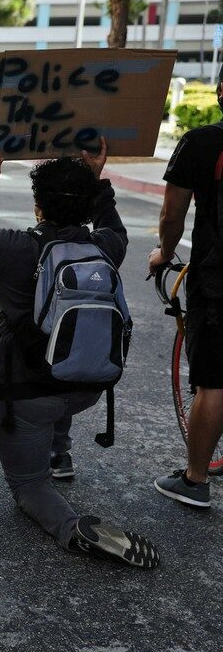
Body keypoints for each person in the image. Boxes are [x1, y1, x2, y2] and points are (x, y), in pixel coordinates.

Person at [0, 142, 160, 568]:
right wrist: (98, 180)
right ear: (86, 207)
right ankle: (59, 450)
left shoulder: (11, 248)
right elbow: (113, 226)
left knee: (28, 486)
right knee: (61, 354)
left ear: (37, 206)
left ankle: (72, 528)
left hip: (28, 394)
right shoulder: (106, 248)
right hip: (87, 387)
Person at [150, 70, 223, 509]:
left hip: (217, 280)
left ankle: (195, 480)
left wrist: (163, 251)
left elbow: (172, 214)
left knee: (213, 381)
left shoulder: (200, 143)